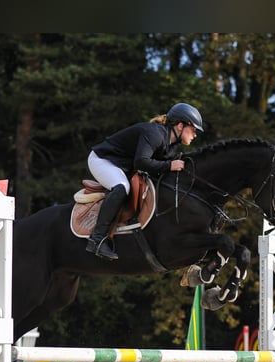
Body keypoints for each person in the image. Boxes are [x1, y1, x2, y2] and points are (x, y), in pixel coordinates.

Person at [85, 102, 204, 260]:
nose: (195, 134)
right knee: (122, 187)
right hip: (103, 159)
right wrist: (169, 165)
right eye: (193, 129)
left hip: (122, 166)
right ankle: (97, 239)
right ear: (180, 125)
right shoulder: (154, 133)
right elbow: (141, 162)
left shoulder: (171, 144)